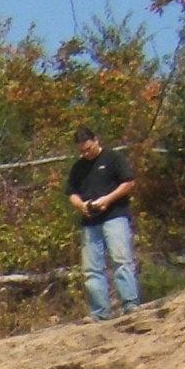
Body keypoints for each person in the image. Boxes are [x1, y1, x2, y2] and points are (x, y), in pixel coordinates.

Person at [65, 125, 141, 323]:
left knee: (121, 260)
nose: (85, 153)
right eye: (81, 150)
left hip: (115, 216)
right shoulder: (78, 167)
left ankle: (130, 304)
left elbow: (129, 182)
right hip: (90, 223)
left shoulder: (113, 158)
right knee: (92, 269)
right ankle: (99, 311)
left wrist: (107, 200)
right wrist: (81, 205)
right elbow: (71, 193)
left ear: (96, 140)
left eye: (88, 149)